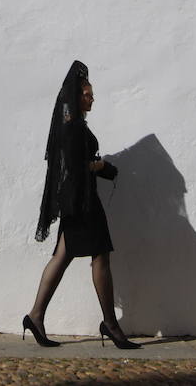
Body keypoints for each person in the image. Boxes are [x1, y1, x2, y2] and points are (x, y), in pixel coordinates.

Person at [22, 60, 140, 349]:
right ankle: (110, 325)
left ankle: (35, 316)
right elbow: (75, 166)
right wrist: (99, 166)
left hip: (77, 200)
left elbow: (79, 165)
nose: (92, 98)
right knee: (99, 257)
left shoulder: (72, 125)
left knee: (63, 258)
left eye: (91, 94)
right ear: (76, 97)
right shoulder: (73, 127)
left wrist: (101, 167)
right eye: (87, 94)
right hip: (83, 203)